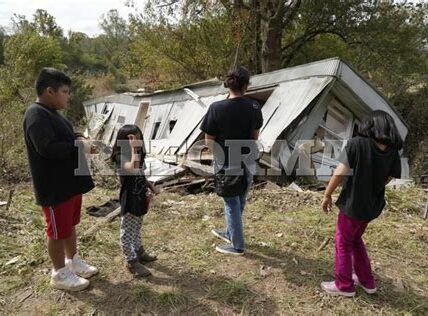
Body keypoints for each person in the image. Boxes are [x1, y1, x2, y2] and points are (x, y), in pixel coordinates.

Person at [23, 68, 98, 291]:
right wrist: (79, 146)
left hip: (69, 184)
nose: (68, 96)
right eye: (65, 91)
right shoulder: (36, 114)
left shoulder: (53, 112)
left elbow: (65, 136)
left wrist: (80, 138)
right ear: (49, 91)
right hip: (54, 187)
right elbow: (46, 148)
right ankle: (59, 274)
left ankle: (72, 261)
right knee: (56, 231)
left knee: (69, 225)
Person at [320, 110, 403, 297]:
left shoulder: (357, 144)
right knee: (355, 239)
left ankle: (344, 285)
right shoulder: (392, 152)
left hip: (353, 205)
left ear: (370, 126)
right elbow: (388, 178)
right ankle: (367, 281)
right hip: (371, 206)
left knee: (342, 242)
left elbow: (340, 172)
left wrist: (327, 194)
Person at [200, 66, 263, 256]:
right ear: (246, 85)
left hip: (227, 161)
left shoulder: (217, 108)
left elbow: (209, 140)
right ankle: (230, 232)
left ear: (228, 84)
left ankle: (237, 245)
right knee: (239, 198)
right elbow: (255, 137)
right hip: (247, 160)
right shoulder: (254, 107)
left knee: (231, 202)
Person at [111, 124, 159, 277]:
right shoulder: (120, 156)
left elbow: (140, 173)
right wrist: (133, 149)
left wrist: (150, 187)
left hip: (140, 195)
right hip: (130, 197)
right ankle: (131, 261)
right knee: (127, 231)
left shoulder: (138, 154)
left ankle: (139, 251)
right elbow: (132, 168)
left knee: (137, 226)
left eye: (138, 137)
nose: (136, 141)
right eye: (131, 138)